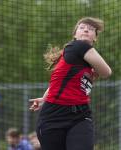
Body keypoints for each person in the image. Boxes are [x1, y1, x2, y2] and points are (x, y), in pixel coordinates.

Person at [29, 17, 112, 150]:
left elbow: (58, 79)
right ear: (75, 35)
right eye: (82, 27)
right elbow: (107, 72)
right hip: (54, 116)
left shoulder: (79, 58)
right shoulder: (79, 46)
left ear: (95, 38)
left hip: (80, 115)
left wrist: (44, 98)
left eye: (91, 29)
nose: (86, 29)